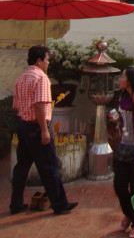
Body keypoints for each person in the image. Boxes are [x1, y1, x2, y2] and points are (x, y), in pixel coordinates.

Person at [10, 45, 78, 215]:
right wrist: (44, 130)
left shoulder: (21, 78)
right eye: (47, 60)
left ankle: (15, 203)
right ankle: (60, 204)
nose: (48, 64)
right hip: (35, 126)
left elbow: (16, 105)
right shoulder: (41, 78)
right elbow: (39, 105)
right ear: (39, 60)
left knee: (22, 167)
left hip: (23, 126)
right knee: (50, 166)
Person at [112, 67, 134, 238]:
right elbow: (123, 124)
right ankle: (130, 213)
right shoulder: (122, 97)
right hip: (123, 147)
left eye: (123, 76)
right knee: (119, 185)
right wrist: (116, 120)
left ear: (131, 80)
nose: (120, 79)